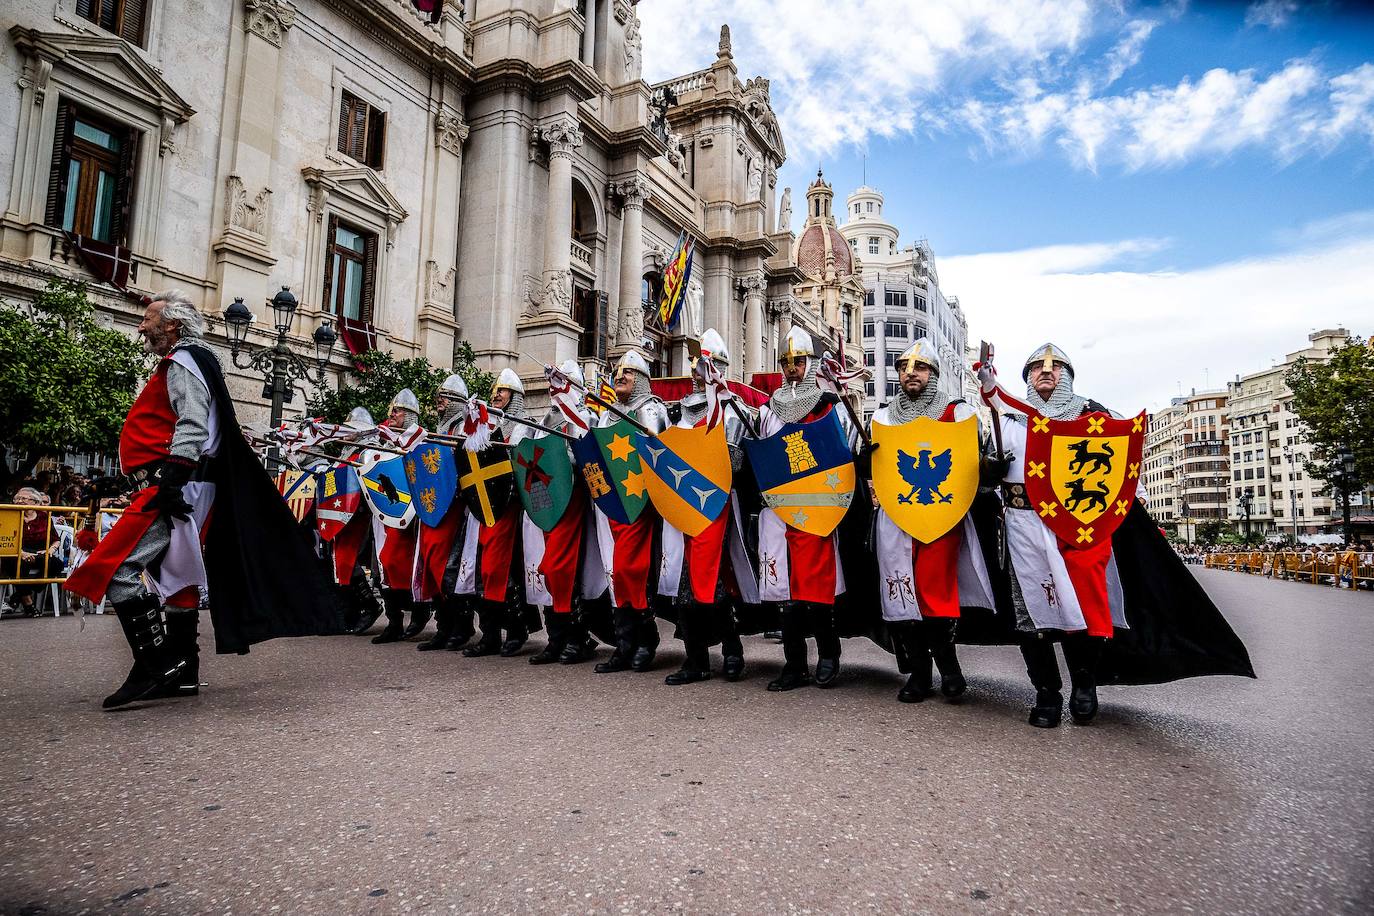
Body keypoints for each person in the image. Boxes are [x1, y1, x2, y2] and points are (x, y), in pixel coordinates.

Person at [64, 290, 339, 708]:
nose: (141, 326)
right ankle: (185, 671)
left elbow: (192, 423)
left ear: (172, 326)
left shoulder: (183, 361)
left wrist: (171, 480)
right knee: (177, 576)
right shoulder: (190, 360)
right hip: (174, 482)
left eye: (149, 319)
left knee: (119, 568)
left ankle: (157, 664)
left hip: (174, 485)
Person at [979, 343, 1254, 727]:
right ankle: (1046, 693)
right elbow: (979, 480)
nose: (1046, 371)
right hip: (1024, 526)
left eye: (1056, 366)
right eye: (1036, 368)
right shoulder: (1005, 422)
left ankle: (1084, 684)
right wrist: (988, 471)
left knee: (1086, 609)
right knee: (1032, 615)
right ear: (1025, 379)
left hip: (1080, 527)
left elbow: (1127, 471)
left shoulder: (1098, 418)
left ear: (1068, 376)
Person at [867, 338, 996, 703]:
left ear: (933, 375)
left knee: (934, 595)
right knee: (903, 593)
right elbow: (875, 468)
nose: (911, 374)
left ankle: (950, 669)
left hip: (941, 515)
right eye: (905, 368)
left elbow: (977, 461)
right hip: (897, 516)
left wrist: (990, 467)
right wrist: (864, 459)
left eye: (920, 368)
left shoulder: (957, 413)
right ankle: (920, 674)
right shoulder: (883, 416)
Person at [757, 328, 859, 691]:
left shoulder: (827, 407)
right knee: (786, 595)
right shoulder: (768, 410)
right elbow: (761, 456)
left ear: (810, 364)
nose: (792, 368)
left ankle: (829, 656)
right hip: (779, 511)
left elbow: (845, 455)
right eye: (787, 362)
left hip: (817, 510)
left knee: (817, 592)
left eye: (798, 361)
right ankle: (794, 664)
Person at [658, 329, 757, 685]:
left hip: (718, 507)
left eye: (705, 365)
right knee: (685, 583)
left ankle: (733, 653)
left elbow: (737, 465)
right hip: (682, 505)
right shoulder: (677, 411)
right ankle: (695, 658)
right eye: (697, 365)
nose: (698, 371)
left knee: (717, 580)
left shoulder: (734, 411)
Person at [591, 350, 669, 674]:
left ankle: (645, 639)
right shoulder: (608, 414)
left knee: (631, 570)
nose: (620, 376)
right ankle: (625, 645)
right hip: (615, 506)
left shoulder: (650, 409)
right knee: (619, 574)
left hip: (641, 503)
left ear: (642, 378)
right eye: (618, 372)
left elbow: (659, 454)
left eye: (628, 372)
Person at [458, 369, 541, 657]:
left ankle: (515, 628)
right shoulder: (485, 425)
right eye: (495, 391)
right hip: (487, 505)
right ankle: (491, 634)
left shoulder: (524, 426)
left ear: (515, 396)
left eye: (502, 391)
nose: (496, 395)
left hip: (514, 506)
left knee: (502, 569)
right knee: (486, 570)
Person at [527, 360, 604, 665]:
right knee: (548, 569)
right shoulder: (547, 417)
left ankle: (576, 637)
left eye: (561, 383)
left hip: (573, 503)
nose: (553, 388)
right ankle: (557, 638)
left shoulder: (586, 418)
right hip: (547, 503)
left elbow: (590, 460)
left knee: (562, 569)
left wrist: (568, 461)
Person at [414, 375, 477, 652]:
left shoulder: (464, 428)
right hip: (434, 507)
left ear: (457, 401)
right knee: (431, 563)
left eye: (446, 395)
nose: (439, 400)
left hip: (455, 508)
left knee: (448, 567)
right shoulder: (437, 428)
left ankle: (461, 627)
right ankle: (443, 626)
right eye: (440, 395)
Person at [368, 388, 432, 644]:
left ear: (410, 415)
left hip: (414, 515)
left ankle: (420, 612)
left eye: (398, 410)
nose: (392, 414)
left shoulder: (420, 441)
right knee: (386, 563)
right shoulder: (383, 443)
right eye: (392, 410)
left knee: (412, 565)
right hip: (387, 513)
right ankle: (394, 622)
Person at [0, 487, 59, 618]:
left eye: (23, 499)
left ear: (35, 502)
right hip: (16, 551)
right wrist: (21, 553)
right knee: (17, 564)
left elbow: (56, 539)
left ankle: (19, 594)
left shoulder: (44, 516)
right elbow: (4, 539)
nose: (19, 501)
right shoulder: (10, 514)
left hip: (39, 551)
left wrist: (49, 551)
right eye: (17, 498)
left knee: (55, 564)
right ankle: (28, 604)